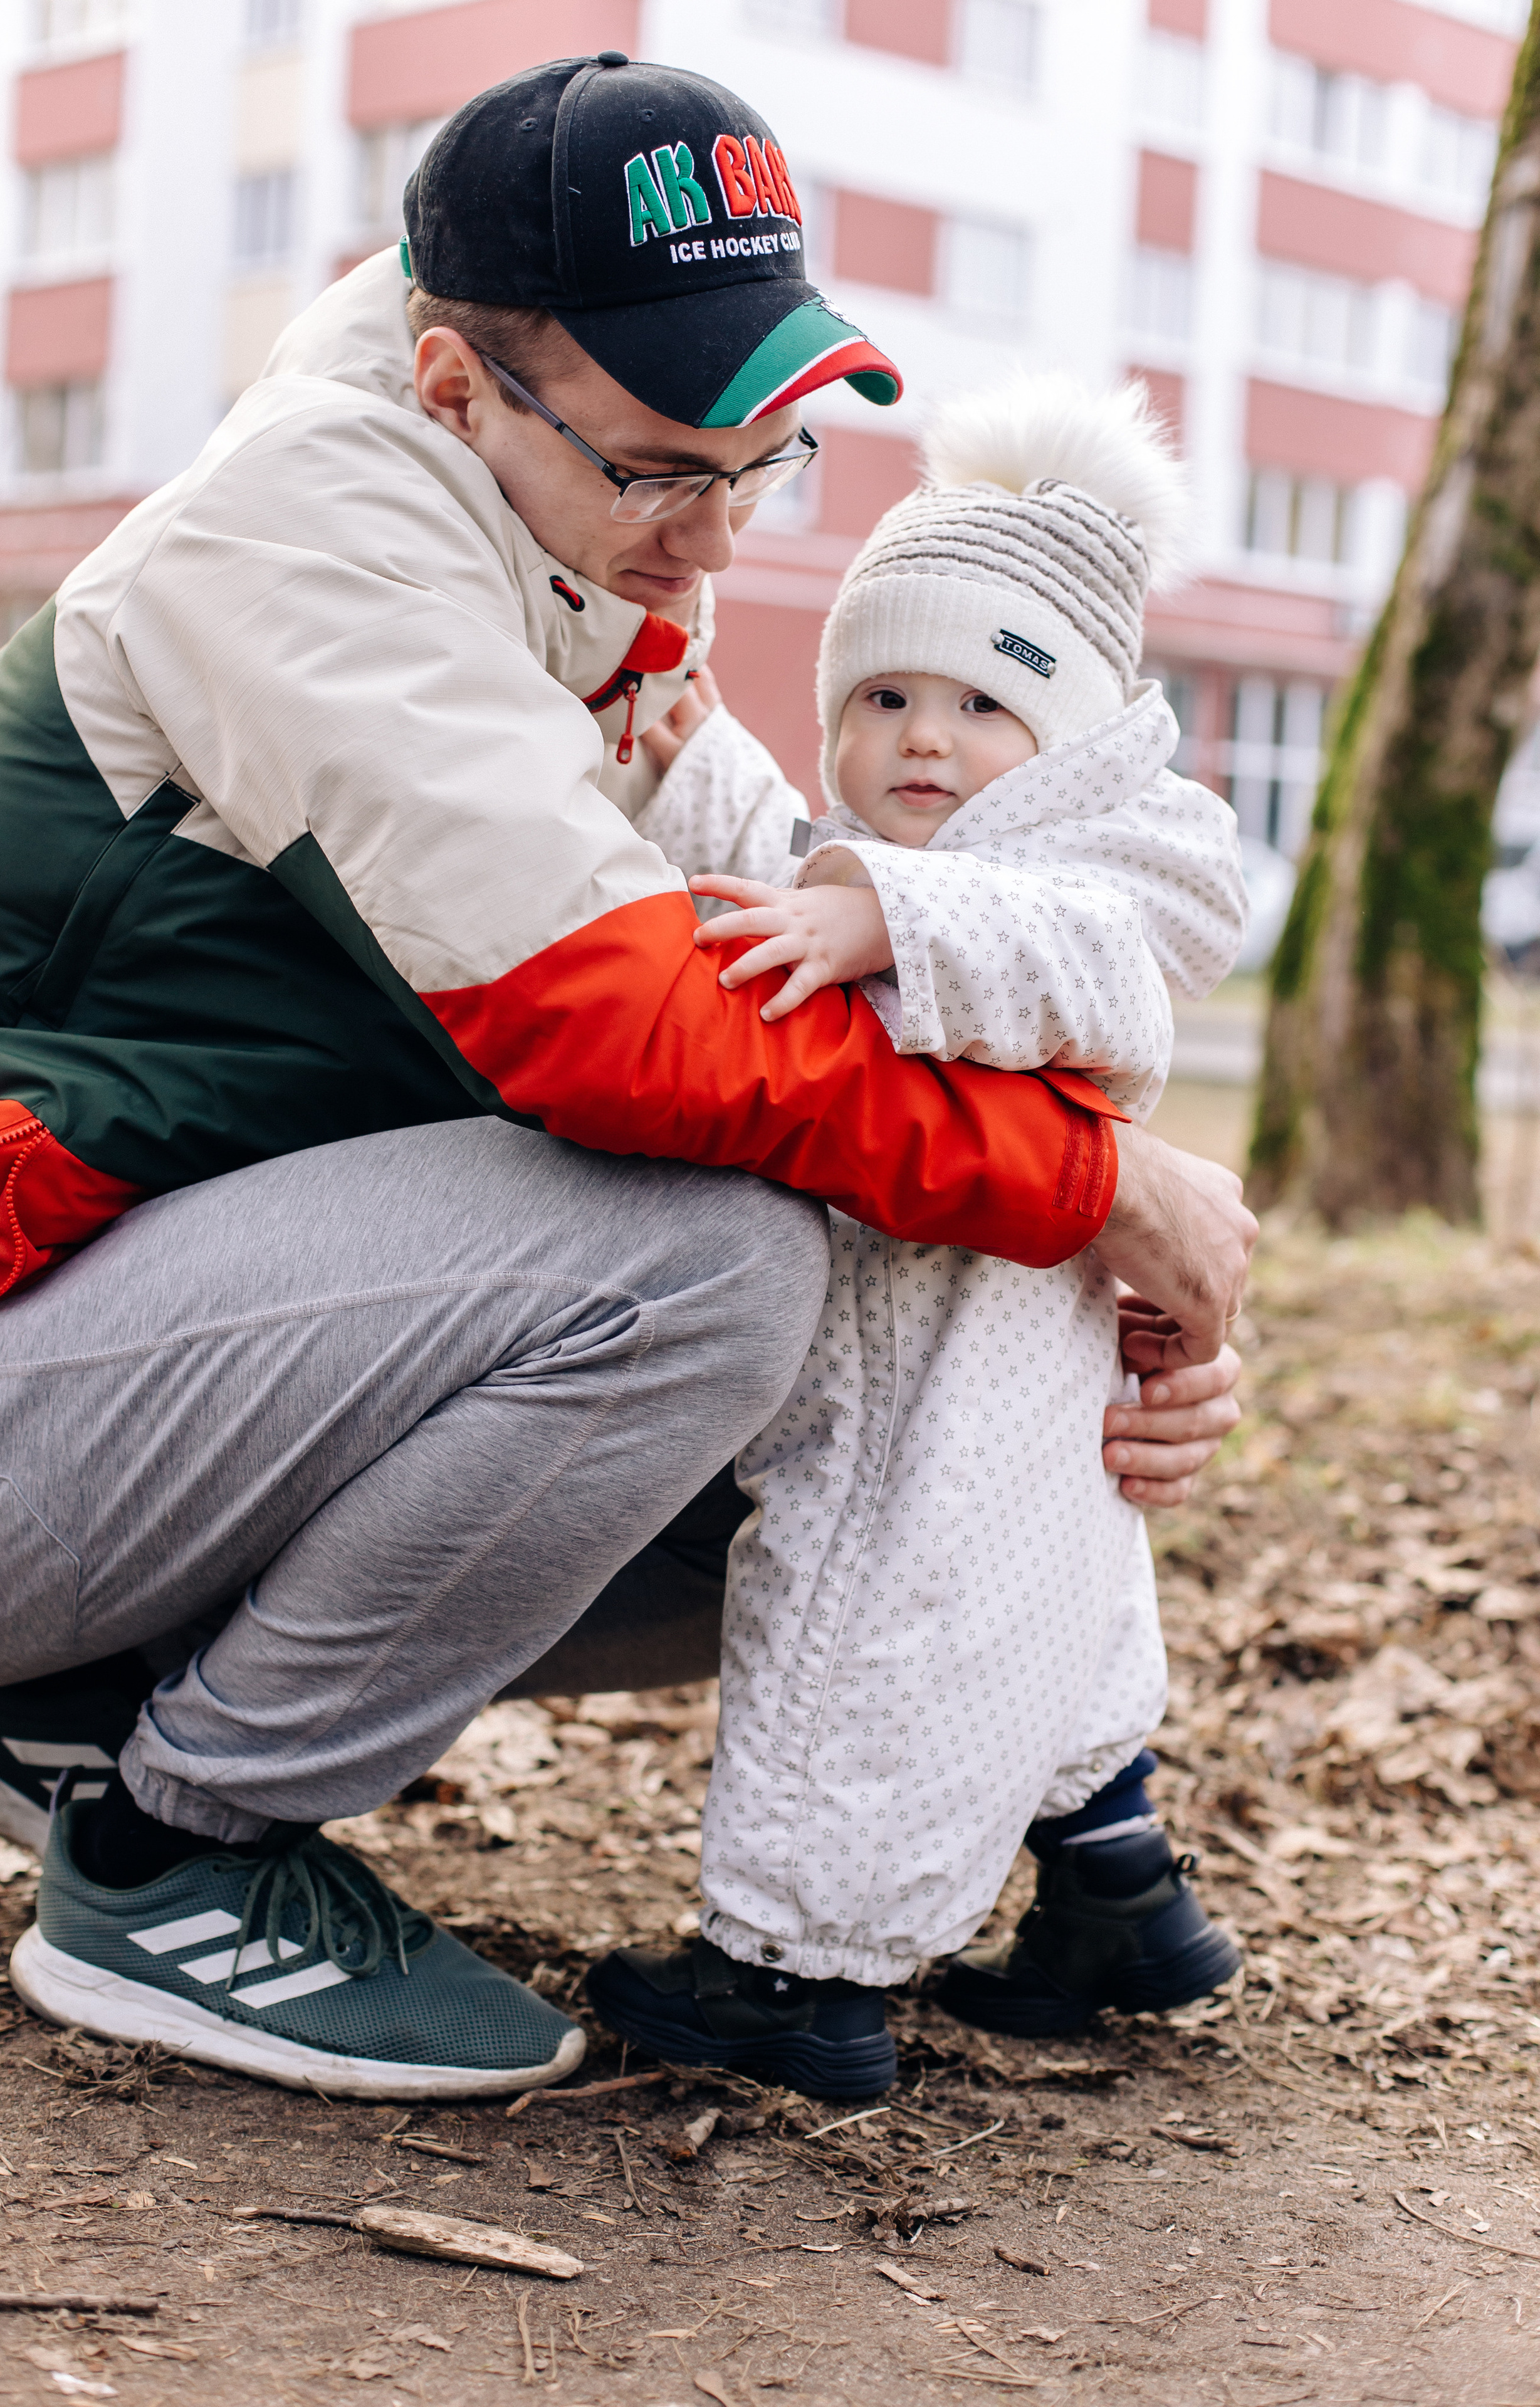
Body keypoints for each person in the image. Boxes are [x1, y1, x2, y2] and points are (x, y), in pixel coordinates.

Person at [0, 55, 1253, 2104]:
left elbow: (800, 970)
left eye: (764, 461)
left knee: (887, 1387)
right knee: (709, 1264)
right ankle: (173, 1858)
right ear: (458, 388)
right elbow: (625, 1028)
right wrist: (1099, 1192)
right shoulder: (316, 541)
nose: (715, 539)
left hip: (93, 1371)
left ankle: (64, 1693)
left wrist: (1103, 1303)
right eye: (660, 469)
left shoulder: (579, 558)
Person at [587, 378, 1248, 2092]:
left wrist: (880, 913)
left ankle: (796, 1976)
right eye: (882, 697)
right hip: (1013, 1355)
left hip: (932, 1377)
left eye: (982, 703)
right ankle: (1120, 1891)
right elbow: (784, 882)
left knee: (863, 1633)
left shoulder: (1100, 880)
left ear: (1074, 741)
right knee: (1054, 1611)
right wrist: (699, 766)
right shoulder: (874, 859)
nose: (923, 741)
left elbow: (1063, 956)